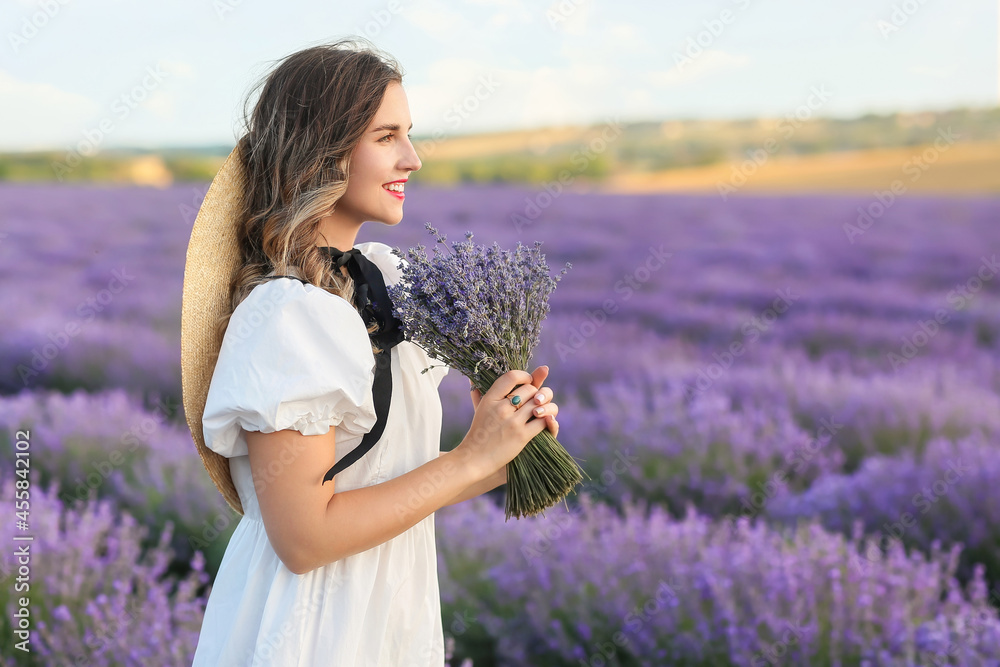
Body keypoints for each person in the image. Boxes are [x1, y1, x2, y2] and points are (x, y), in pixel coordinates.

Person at [180, 37, 560, 666]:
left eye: (408, 134)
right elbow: (304, 539)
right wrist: (467, 461)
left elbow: (391, 483)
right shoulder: (289, 315)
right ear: (321, 151)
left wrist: (504, 446)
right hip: (310, 631)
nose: (412, 158)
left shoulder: (382, 287)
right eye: (386, 136)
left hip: (390, 617)